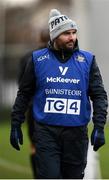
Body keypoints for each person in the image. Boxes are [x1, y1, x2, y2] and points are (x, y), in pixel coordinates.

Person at [10, 9, 108, 179]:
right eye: (66, 34)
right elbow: (24, 94)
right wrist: (15, 123)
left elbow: (99, 95)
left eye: (74, 32)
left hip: (76, 135)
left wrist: (99, 126)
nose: (72, 37)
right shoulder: (37, 59)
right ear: (54, 36)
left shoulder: (87, 60)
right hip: (46, 133)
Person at [17, 28, 49, 179]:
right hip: (52, 109)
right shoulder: (57, 57)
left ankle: (38, 176)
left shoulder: (26, 57)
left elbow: (22, 86)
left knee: (35, 146)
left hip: (33, 109)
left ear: (38, 38)